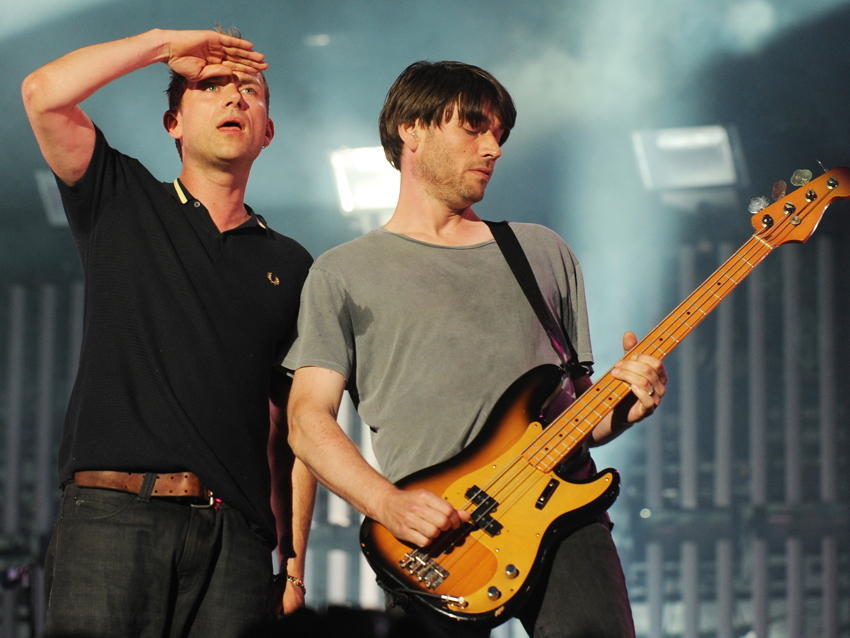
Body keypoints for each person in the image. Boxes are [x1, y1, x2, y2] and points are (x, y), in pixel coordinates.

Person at [284, 60, 668, 638]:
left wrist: (625, 409)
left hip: (565, 523)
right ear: (411, 129)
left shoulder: (542, 252)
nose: (492, 147)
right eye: (473, 128)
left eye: (498, 134)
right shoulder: (343, 272)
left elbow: (576, 417)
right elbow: (306, 420)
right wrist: (388, 506)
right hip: (436, 539)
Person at [21, 27, 316, 637]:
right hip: (111, 516)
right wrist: (162, 46)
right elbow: (42, 93)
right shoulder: (120, 197)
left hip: (234, 541)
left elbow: (294, 427)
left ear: (268, 131)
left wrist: (292, 565)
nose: (236, 99)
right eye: (211, 86)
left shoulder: (291, 264)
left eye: (251, 91)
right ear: (172, 123)